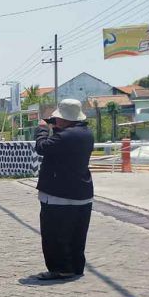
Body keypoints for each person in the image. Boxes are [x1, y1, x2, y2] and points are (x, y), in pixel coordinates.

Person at [34, 99, 94, 280]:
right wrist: (56, 128)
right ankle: (75, 267)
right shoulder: (86, 133)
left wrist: (43, 129)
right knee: (76, 235)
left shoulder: (64, 136)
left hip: (59, 195)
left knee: (54, 235)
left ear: (66, 119)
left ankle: (60, 268)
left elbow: (41, 147)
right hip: (82, 193)